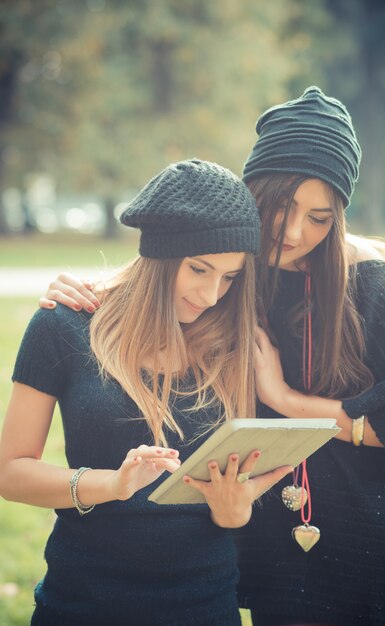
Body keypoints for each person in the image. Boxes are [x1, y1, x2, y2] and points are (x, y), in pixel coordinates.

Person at [41, 87, 385, 626]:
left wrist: (284, 399)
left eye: (319, 217)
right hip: (264, 547)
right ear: (252, 191)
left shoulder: (363, 279)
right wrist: (88, 289)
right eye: (283, 206)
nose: (294, 232)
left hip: (373, 537)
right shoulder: (231, 271)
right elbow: (163, 271)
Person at [0, 158, 293, 626]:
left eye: (230, 276)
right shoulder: (65, 324)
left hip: (205, 607)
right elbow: (11, 473)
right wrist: (112, 485)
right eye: (199, 269)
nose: (213, 294)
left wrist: (234, 510)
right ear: (159, 255)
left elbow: (235, 515)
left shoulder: (242, 341)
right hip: (82, 604)